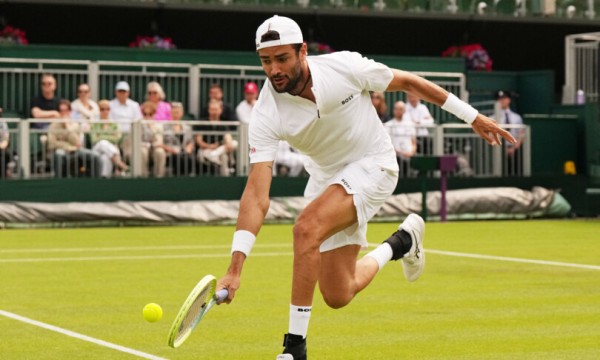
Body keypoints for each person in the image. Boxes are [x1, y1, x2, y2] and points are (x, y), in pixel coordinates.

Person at [215, 15, 515, 360]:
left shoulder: (344, 66)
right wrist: (235, 268)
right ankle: (402, 242)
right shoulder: (267, 113)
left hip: (375, 164)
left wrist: (471, 116)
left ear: (303, 52)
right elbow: (256, 196)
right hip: (327, 179)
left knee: (305, 228)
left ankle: (294, 347)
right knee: (338, 294)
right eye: (266, 61)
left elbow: (408, 83)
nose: (274, 69)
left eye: (282, 58)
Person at [48, 100, 102, 178]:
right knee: (59, 154)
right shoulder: (53, 126)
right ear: (58, 112)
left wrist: (67, 127)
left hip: (76, 150)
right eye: (61, 110)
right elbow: (52, 143)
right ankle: (59, 182)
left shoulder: (75, 125)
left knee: (96, 156)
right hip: (62, 150)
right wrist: (67, 146)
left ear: (70, 111)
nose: (64, 113)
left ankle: (97, 182)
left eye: (66, 110)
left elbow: (77, 142)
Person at [195, 99, 238, 176]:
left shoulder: (223, 125)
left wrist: (228, 144)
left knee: (234, 144)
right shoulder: (202, 123)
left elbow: (228, 138)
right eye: (212, 109)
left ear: (220, 110)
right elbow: (199, 141)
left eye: (216, 109)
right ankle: (214, 155)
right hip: (205, 150)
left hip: (219, 151)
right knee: (205, 154)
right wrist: (210, 146)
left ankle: (225, 179)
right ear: (209, 110)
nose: (214, 112)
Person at [90, 99, 129, 177]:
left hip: (111, 149)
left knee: (105, 158)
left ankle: (105, 179)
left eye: (107, 109)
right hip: (97, 148)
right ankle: (119, 163)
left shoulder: (114, 124)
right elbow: (93, 139)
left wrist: (101, 136)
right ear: (99, 110)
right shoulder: (94, 123)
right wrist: (109, 136)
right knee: (102, 143)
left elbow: (117, 138)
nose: (105, 111)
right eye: (102, 109)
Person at [494, 90, 525, 176]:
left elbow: (521, 134)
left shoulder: (517, 117)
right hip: (498, 150)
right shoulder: (492, 118)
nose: (502, 101)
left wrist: (514, 148)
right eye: (499, 99)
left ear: (509, 100)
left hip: (514, 150)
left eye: (504, 98)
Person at [161, 101, 195, 176]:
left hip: (184, 152)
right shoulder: (164, 126)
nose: (176, 114)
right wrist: (170, 149)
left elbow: (191, 141)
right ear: (170, 113)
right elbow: (161, 142)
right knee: (178, 159)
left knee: (189, 159)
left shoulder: (187, 127)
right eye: (174, 112)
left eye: (178, 112)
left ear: (182, 113)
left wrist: (189, 147)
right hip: (171, 153)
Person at [384, 101, 417, 177]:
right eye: (396, 109)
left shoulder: (410, 124)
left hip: (410, 156)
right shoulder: (388, 125)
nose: (398, 111)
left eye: (401, 109)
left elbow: (414, 143)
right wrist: (398, 152)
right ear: (393, 110)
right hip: (395, 157)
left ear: (404, 110)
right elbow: (386, 144)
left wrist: (411, 153)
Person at [140, 101, 166, 178]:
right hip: (143, 147)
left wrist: (151, 127)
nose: (147, 116)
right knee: (142, 152)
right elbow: (137, 140)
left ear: (154, 114)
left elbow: (159, 140)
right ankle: (143, 176)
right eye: (145, 114)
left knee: (160, 152)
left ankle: (159, 176)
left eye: (150, 114)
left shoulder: (158, 125)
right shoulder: (138, 125)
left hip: (154, 147)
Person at [0, 108, 13, 178]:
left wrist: (4, 143)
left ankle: (4, 176)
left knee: (5, 155)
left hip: (1, 147)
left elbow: (5, 138)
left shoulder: (2, 123)